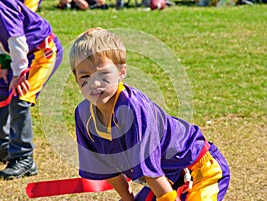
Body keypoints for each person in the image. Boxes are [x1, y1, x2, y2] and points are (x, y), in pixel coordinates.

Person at [69, 28, 230, 201]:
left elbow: (150, 171)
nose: (95, 83)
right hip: (166, 177)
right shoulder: (84, 115)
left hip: (198, 169)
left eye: (103, 74)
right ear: (76, 78)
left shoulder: (132, 108)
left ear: (121, 72)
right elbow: (108, 168)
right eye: (85, 76)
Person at [0, 0, 63, 179]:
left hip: (41, 54)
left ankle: (24, 158)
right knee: (0, 92)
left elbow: (16, 37)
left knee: (20, 97)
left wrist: (19, 74)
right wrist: (5, 65)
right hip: (19, 54)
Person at [0, 0, 43, 72]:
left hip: (40, 49)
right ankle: (9, 58)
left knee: (21, 22)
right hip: (17, 49)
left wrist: (19, 72)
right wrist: (4, 63)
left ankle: (15, 59)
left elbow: (16, 34)